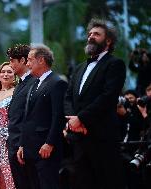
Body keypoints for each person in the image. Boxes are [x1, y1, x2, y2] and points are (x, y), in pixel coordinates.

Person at [64, 18, 126, 189]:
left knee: (107, 182)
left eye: (96, 34)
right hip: (79, 139)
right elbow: (68, 97)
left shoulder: (115, 64)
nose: (91, 36)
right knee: (82, 183)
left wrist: (81, 119)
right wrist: (72, 121)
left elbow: (108, 97)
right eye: (90, 34)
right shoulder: (78, 68)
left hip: (102, 137)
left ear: (108, 41)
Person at [17, 45, 68, 189]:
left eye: (29, 60)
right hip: (30, 148)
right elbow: (27, 117)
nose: (27, 64)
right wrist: (22, 144)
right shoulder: (33, 84)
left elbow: (58, 117)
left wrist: (50, 143)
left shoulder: (57, 83)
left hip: (46, 149)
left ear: (41, 60)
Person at [6, 44, 35, 189]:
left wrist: (22, 143)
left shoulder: (34, 82)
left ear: (23, 60)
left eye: (12, 61)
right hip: (13, 143)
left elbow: (29, 116)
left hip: (24, 145)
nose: (10, 65)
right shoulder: (20, 84)